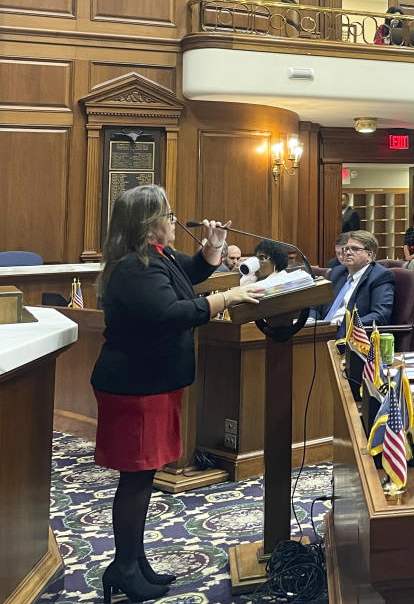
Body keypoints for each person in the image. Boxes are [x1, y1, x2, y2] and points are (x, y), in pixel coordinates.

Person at [90, 185, 263, 603]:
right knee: (136, 477)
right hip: (135, 385)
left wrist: (212, 250)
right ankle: (124, 566)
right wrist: (228, 296)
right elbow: (171, 313)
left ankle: (134, 560)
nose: (174, 220)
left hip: (151, 382)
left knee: (144, 475)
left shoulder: (157, 257)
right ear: (149, 222)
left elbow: (189, 272)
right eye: (168, 214)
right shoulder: (134, 267)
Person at [312, 230, 395, 337]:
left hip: (351, 337)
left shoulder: (380, 276)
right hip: (322, 332)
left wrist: (346, 326)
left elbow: (380, 315)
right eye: (346, 248)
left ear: (369, 255)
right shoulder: (336, 273)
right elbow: (315, 306)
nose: (347, 252)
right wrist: (311, 320)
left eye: (355, 249)